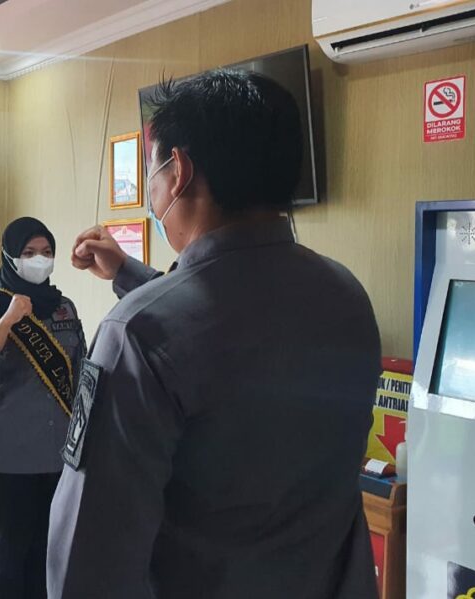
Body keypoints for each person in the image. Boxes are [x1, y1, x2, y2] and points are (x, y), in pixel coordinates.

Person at [47, 70, 382, 598]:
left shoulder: (135, 335)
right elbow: (228, 328)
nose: (152, 190)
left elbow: (89, 558)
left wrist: (138, 296)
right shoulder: (346, 296)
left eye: (152, 170)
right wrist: (129, 274)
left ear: (178, 170)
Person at [0, 217, 86, 599]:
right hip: (11, 457)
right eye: (29, 253)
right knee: (12, 557)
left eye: (46, 252)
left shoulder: (64, 307)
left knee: (53, 553)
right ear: (11, 257)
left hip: (61, 455)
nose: (39, 260)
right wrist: (8, 321)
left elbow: (82, 371)